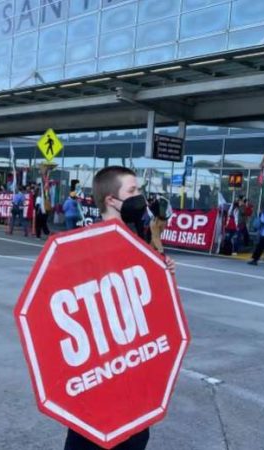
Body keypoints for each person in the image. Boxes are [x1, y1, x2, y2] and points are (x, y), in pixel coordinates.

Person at [62, 166, 176, 450]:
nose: (141, 197)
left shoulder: (139, 238)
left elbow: (156, 302)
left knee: (136, 437)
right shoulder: (87, 244)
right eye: (133, 191)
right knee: (88, 437)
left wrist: (163, 267)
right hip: (100, 369)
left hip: (135, 367)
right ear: (112, 200)